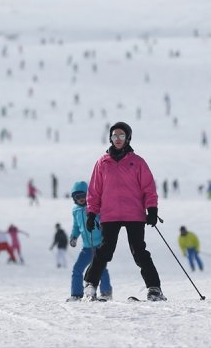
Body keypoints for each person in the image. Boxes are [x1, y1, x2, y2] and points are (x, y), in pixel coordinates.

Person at [83, 121, 165, 302]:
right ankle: (90, 286)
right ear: (110, 138)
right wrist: (91, 213)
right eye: (114, 136)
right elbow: (95, 191)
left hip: (134, 214)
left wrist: (152, 209)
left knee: (140, 252)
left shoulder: (137, 162)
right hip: (110, 215)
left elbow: (148, 188)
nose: (117, 139)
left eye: (121, 135)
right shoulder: (102, 163)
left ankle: (154, 289)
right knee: (104, 251)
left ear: (128, 138)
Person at [67, 181, 112, 301]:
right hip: (87, 247)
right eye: (78, 197)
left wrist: (104, 235)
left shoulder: (94, 208)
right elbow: (76, 227)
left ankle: (106, 292)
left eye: (83, 196)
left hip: (98, 245)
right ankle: (76, 294)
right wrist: (73, 237)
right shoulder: (75, 211)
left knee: (100, 268)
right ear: (74, 198)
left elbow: (103, 221)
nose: (81, 199)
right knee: (77, 269)